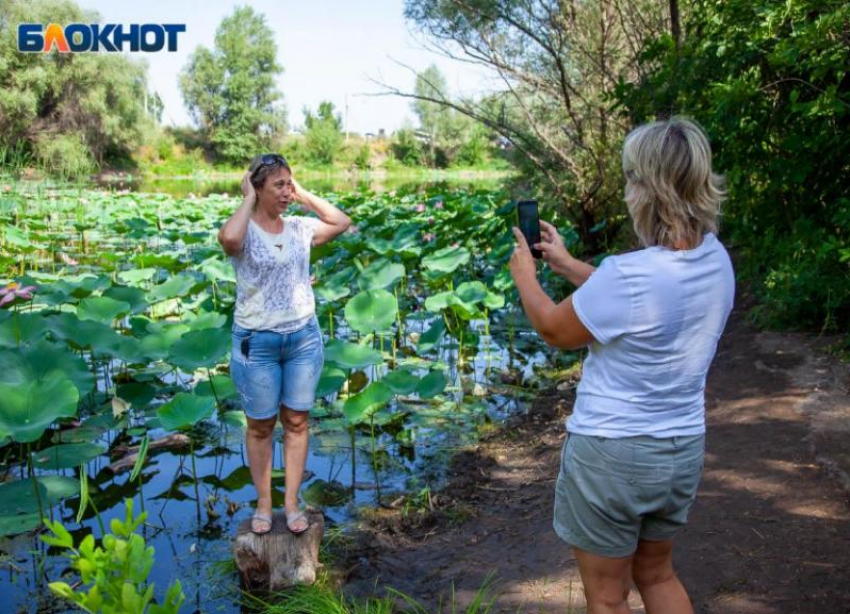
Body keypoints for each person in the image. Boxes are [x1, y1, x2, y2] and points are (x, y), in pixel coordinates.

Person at [509, 117, 734, 614]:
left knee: (608, 599)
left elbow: (555, 330)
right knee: (658, 574)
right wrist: (568, 265)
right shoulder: (716, 259)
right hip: (680, 449)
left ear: (648, 189)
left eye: (631, 177)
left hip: (612, 455)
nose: (627, 189)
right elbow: (644, 302)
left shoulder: (628, 275)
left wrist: (526, 276)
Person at [218, 154, 351, 535]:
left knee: (296, 421)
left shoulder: (299, 228)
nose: (285, 192)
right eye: (278, 185)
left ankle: (291, 502)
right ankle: (264, 503)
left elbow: (341, 222)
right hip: (256, 342)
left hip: (302, 339)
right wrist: (247, 198)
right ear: (257, 188)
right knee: (260, 426)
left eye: (288, 184)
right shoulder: (243, 231)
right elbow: (229, 241)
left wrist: (303, 194)